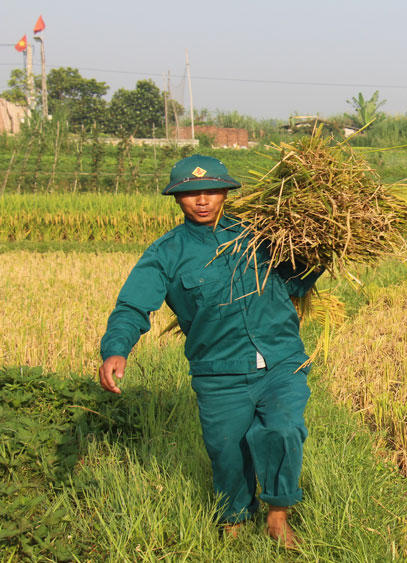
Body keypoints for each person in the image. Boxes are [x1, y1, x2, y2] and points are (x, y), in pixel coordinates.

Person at [98, 155, 322, 548]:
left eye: (211, 191)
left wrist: (318, 249)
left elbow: (295, 284)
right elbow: (133, 306)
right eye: (190, 193)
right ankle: (234, 519)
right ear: (177, 199)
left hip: (281, 359)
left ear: (225, 193)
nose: (201, 200)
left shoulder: (260, 235)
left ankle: (277, 516)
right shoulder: (166, 253)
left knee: (284, 430)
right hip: (219, 371)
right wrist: (117, 349)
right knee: (227, 453)